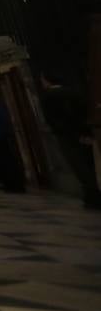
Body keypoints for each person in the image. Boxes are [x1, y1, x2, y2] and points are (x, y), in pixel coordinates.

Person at [38, 74, 101, 209]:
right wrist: (85, 131)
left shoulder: (48, 97)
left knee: (79, 165)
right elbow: (83, 112)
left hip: (66, 134)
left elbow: (52, 119)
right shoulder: (73, 92)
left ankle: (92, 197)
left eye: (42, 80)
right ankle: (92, 195)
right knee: (89, 164)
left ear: (47, 81)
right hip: (82, 132)